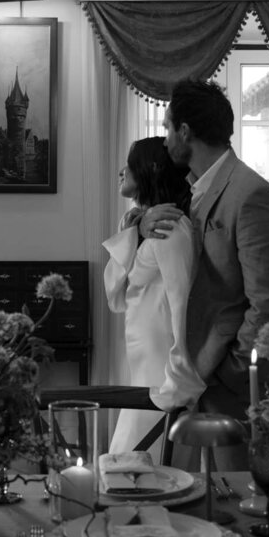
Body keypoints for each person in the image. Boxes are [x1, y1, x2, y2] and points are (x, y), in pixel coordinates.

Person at [139, 79, 269, 470]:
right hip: (195, 381)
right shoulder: (193, 190)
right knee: (195, 513)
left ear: (185, 131)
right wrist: (141, 222)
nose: (165, 137)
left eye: (167, 127)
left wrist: (231, 373)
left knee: (239, 511)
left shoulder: (251, 194)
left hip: (233, 389)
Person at [101, 137, 205, 457]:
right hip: (142, 369)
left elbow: (181, 301)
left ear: (150, 170)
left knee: (140, 467)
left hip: (163, 375)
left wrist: (178, 381)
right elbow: (115, 296)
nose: (121, 171)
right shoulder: (144, 226)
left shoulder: (170, 228)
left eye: (130, 164)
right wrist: (134, 232)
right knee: (127, 467)